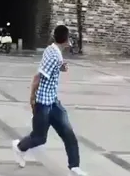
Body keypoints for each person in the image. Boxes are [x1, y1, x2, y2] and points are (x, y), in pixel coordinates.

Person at [12, 24, 86, 175]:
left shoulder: (53, 51)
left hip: (53, 102)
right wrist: (32, 99)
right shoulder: (54, 55)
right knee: (39, 138)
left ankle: (74, 166)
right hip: (43, 104)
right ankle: (19, 147)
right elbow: (37, 77)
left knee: (68, 133)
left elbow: (51, 67)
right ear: (66, 40)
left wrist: (61, 67)